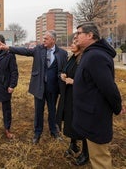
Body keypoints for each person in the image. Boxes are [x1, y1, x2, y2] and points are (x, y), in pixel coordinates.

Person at [0, 30, 68, 143]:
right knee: (38, 111)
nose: (43, 40)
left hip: (53, 88)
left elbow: (65, 69)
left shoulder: (62, 53)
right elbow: (25, 51)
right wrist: (9, 48)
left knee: (52, 110)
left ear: (53, 40)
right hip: (39, 87)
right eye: (43, 38)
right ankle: (37, 132)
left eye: (46, 38)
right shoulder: (38, 49)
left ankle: (54, 132)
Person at [73, 22, 122, 169]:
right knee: (96, 155)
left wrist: (117, 107)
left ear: (90, 35)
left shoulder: (95, 56)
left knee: (100, 158)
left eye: (78, 33)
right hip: (89, 114)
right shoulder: (89, 53)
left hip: (95, 117)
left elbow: (108, 87)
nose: (75, 37)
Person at [56, 33, 89, 166]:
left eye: (74, 43)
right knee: (71, 122)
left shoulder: (84, 60)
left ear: (80, 47)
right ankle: (73, 145)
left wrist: (74, 81)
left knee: (83, 124)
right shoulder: (71, 58)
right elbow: (63, 71)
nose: (71, 45)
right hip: (68, 96)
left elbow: (88, 81)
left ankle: (86, 153)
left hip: (80, 98)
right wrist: (62, 76)